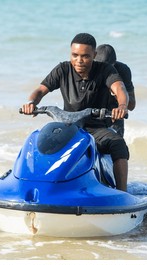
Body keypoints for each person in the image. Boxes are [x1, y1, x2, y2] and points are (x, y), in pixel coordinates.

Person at [21, 33, 130, 192]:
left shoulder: (105, 70)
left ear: (94, 55)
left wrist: (122, 106)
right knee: (36, 139)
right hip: (68, 126)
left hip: (95, 128)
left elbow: (119, 88)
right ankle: (31, 183)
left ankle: (123, 193)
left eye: (85, 56)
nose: (79, 60)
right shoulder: (63, 69)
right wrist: (31, 103)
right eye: (75, 55)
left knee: (118, 144)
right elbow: (40, 90)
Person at [95, 44, 136, 137]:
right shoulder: (88, 68)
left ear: (114, 64)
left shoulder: (123, 70)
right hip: (92, 113)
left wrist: (117, 95)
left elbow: (132, 105)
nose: (104, 71)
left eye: (108, 68)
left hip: (114, 115)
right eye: (100, 67)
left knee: (116, 144)